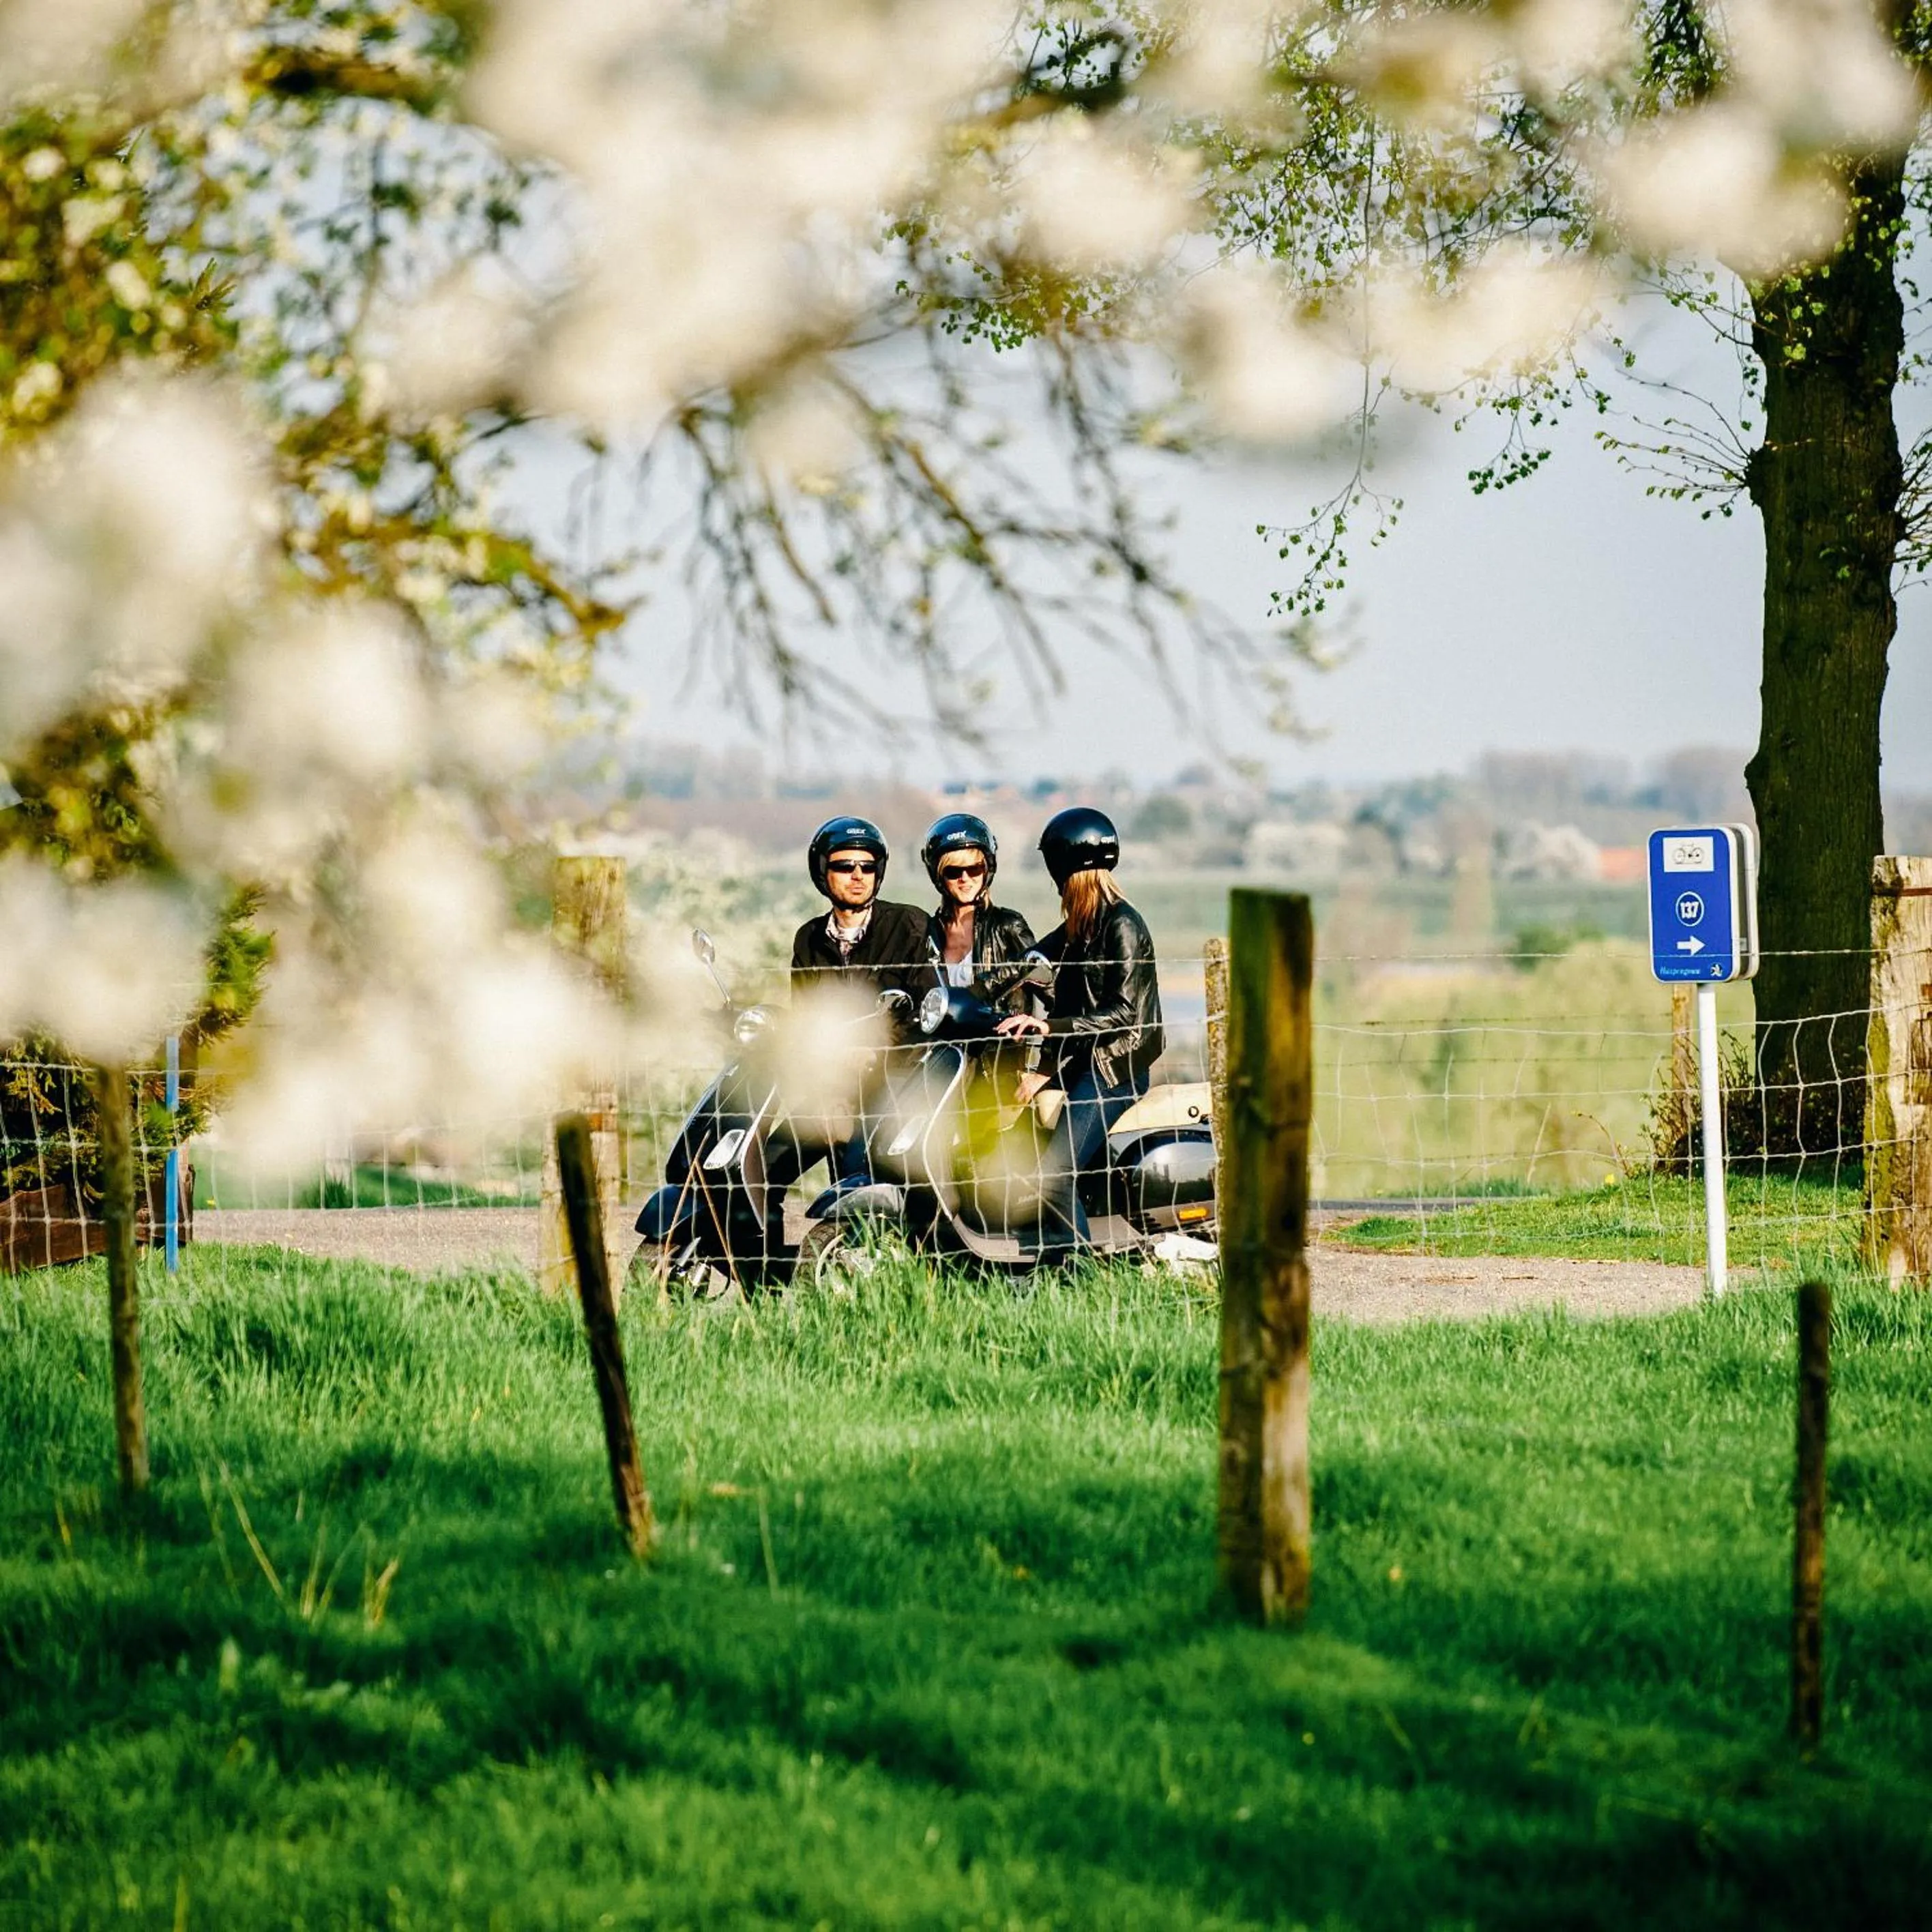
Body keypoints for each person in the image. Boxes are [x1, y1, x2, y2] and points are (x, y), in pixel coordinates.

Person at [995, 805, 1164, 1253]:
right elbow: (1028, 963)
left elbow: (1125, 1013)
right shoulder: (1079, 926)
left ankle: (1076, 1276)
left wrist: (1046, 1026)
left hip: (1117, 1069)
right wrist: (969, 988)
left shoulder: (1122, 924)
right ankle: (1033, 1260)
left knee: (1053, 1175)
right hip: (1084, 1063)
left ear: (1059, 868)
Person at [782, 816, 936, 1195]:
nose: (857, 875)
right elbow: (804, 1022)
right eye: (844, 866)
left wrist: (873, 1050)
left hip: (895, 1076)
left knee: (856, 1167)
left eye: (867, 866)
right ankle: (760, 1253)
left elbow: (928, 1011)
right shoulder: (809, 939)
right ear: (823, 872)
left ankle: (862, 1248)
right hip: (832, 1083)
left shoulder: (908, 925)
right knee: (767, 1161)